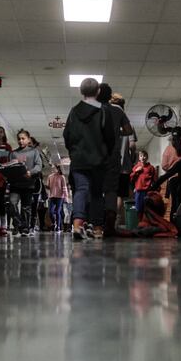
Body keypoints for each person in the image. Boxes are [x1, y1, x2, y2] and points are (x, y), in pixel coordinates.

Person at [63, 78, 116, 240]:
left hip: (79, 160)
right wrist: (105, 153)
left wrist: (73, 153)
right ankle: (98, 228)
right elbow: (110, 137)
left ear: (81, 91)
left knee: (81, 189)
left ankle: (77, 225)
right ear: (98, 91)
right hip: (98, 160)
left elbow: (67, 135)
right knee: (97, 193)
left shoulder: (73, 111)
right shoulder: (103, 111)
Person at [98, 85, 135, 237]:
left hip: (96, 155)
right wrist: (116, 132)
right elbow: (128, 131)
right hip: (114, 156)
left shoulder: (93, 109)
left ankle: (95, 224)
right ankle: (111, 222)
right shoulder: (118, 111)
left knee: (96, 189)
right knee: (112, 190)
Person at [9, 129, 43, 237]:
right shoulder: (13, 153)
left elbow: (39, 166)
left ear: (28, 139)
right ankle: (19, 224)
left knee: (26, 208)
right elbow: (10, 167)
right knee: (12, 203)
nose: (21, 141)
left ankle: (25, 229)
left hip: (28, 184)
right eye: (19, 139)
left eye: (23, 138)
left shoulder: (34, 152)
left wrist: (31, 172)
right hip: (15, 184)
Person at [112, 94, 138, 216]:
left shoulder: (107, 125)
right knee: (120, 196)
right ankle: (118, 222)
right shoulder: (129, 125)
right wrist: (131, 159)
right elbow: (132, 146)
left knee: (109, 194)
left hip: (109, 166)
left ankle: (107, 222)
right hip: (123, 167)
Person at [160, 127, 181, 219]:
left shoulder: (168, 149)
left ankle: (174, 224)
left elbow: (164, 165)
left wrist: (171, 169)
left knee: (175, 203)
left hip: (173, 180)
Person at [130, 151, 156, 215]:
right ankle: (139, 221)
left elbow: (154, 179)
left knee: (147, 209)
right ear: (139, 158)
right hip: (138, 191)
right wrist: (136, 171)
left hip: (147, 191)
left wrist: (155, 188)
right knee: (138, 209)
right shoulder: (136, 167)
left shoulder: (151, 167)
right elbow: (131, 178)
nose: (143, 157)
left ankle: (146, 221)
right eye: (141, 156)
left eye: (144, 156)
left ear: (147, 157)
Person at [46, 166, 68, 233]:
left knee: (58, 211)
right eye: (52, 168)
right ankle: (54, 223)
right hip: (52, 196)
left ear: (58, 169)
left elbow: (64, 187)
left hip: (60, 197)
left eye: (54, 168)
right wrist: (47, 187)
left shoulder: (62, 177)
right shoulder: (50, 176)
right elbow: (48, 186)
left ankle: (58, 227)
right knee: (50, 212)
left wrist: (66, 197)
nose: (53, 169)